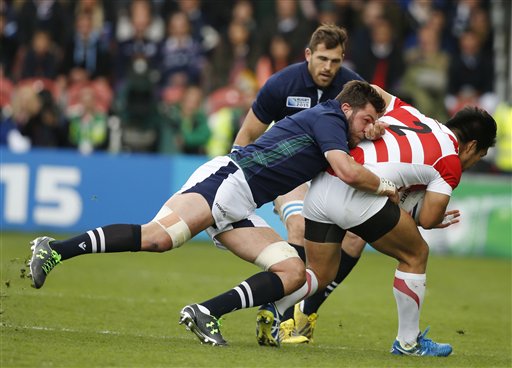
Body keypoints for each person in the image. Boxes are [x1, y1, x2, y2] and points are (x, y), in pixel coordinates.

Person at [27, 80, 398, 347]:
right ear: (347, 108)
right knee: (157, 238)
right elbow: (348, 171)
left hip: (242, 202)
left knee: (292, 272)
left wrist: (374, 130)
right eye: (365, 120)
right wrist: (385, 187)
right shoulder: (329, 118)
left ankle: (206, 312)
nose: (367, 129)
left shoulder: (338, 123)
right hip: (227, 180)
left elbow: (352, 153)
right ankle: (55, 249)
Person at [257, 85, 497, 356]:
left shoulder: (409, 112)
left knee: (320, 274)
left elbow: (367, 89)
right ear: (473, 146)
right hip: (357, 192)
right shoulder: (450, 160)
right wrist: (430, 216)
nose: (474, 162)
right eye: (479, 156)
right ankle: (409, 342)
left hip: (323, 186)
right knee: (416, 254)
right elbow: (428, 219)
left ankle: (273, 309)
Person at [232, 23, 365, 336]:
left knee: (356, 239)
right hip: (289, 173)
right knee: (299, 225)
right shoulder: (282, 83)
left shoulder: (354, 89)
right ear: (308, 54)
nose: (328, 67)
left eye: (335, 61)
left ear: (343, 59)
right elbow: (248, 133)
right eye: (322, 59)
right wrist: (232, 177)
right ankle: (278, 312)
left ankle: (309, 310)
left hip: (333, 175)